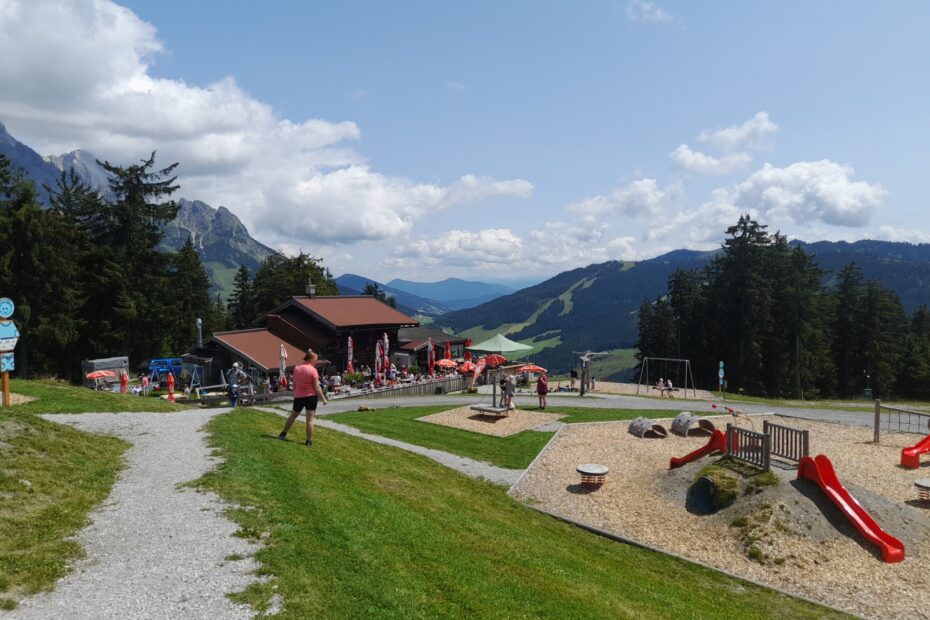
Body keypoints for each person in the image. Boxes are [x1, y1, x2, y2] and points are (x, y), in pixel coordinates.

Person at [278, 348, 327, 447]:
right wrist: (323, 399)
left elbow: (295, 385)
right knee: (310, 420)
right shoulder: (313, 370)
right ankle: (309, 441)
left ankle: (283, 434)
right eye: (315, 360)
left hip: (299, 396)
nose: (316, 362)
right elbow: (317, 387)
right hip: (310, 397)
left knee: (293, 415)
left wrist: (297, 392)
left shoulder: (296, 368)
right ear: (311, 359)